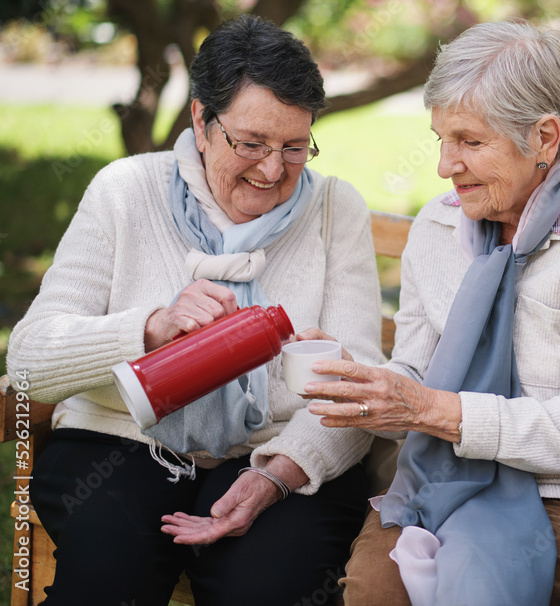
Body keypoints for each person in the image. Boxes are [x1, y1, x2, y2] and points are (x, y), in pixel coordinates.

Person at [6, 15, 384, 605]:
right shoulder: (124, 190)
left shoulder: (336, 210)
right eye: (251, 144)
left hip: (277, 451)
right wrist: (150, 329)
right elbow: (30, 360)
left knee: (268, 587)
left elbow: (358, 383)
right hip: (121, 442)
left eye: (294, 147)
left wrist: (277, 474)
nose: (271, 170)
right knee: (110, 581)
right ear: (202, 121)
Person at [303, 20, 560, 606]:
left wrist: (433, 409)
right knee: (373, 592)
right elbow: (417, 384)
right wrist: (367, 388)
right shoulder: (439, 224)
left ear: (545, 138)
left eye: (470, 142)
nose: (445, 166)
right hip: (439, 475)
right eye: (441, 138)